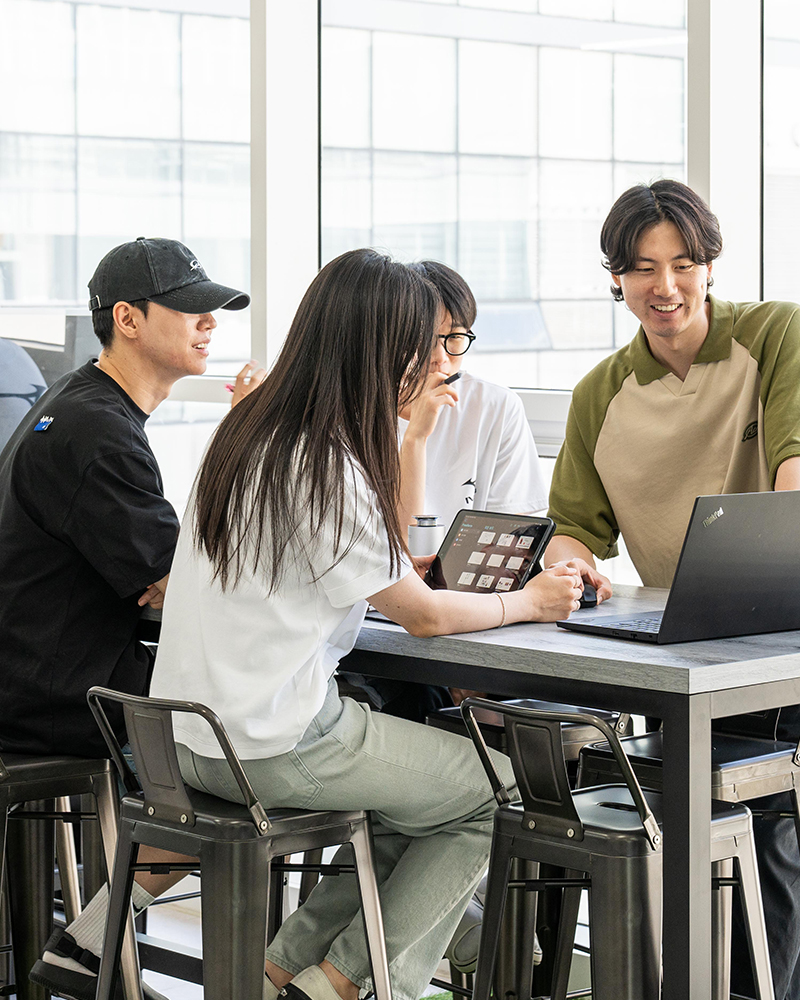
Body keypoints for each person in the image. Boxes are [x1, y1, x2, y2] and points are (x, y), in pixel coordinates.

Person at [149, 248, 583, 1000]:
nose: (437, 365)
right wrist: (531, 603)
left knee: (412, 800)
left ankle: (286, 969)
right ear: (381, 353)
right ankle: (350, 986)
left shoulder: (250, 432)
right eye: (423, 348)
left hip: (183, 739)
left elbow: (363, 568)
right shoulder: (324, 464)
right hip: (271, 742)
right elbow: (423, 617)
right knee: (497, 791)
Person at [545, 179, 800, 1000]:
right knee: (716, 838)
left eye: (684, 264)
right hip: (686, 659)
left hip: (787, 641)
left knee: (775, 840)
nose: (665, 287)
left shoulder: (777, 334)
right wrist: (569, 564)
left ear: (711, 265)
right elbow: (575, 531)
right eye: (643, 268)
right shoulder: (598, 396)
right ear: (615, 277)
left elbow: (795, 471)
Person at [0, 236, 256, 1000]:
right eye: (191, 309)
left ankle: (95, 935)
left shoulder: (79, 406)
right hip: (58, 696)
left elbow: (171, 576)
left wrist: (172, 576)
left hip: (42, 673)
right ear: (129, 318)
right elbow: (175, 582)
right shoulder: (97, 431)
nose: (210, 323)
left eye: (214, 311)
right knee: (252, 747)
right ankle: (114, 943)